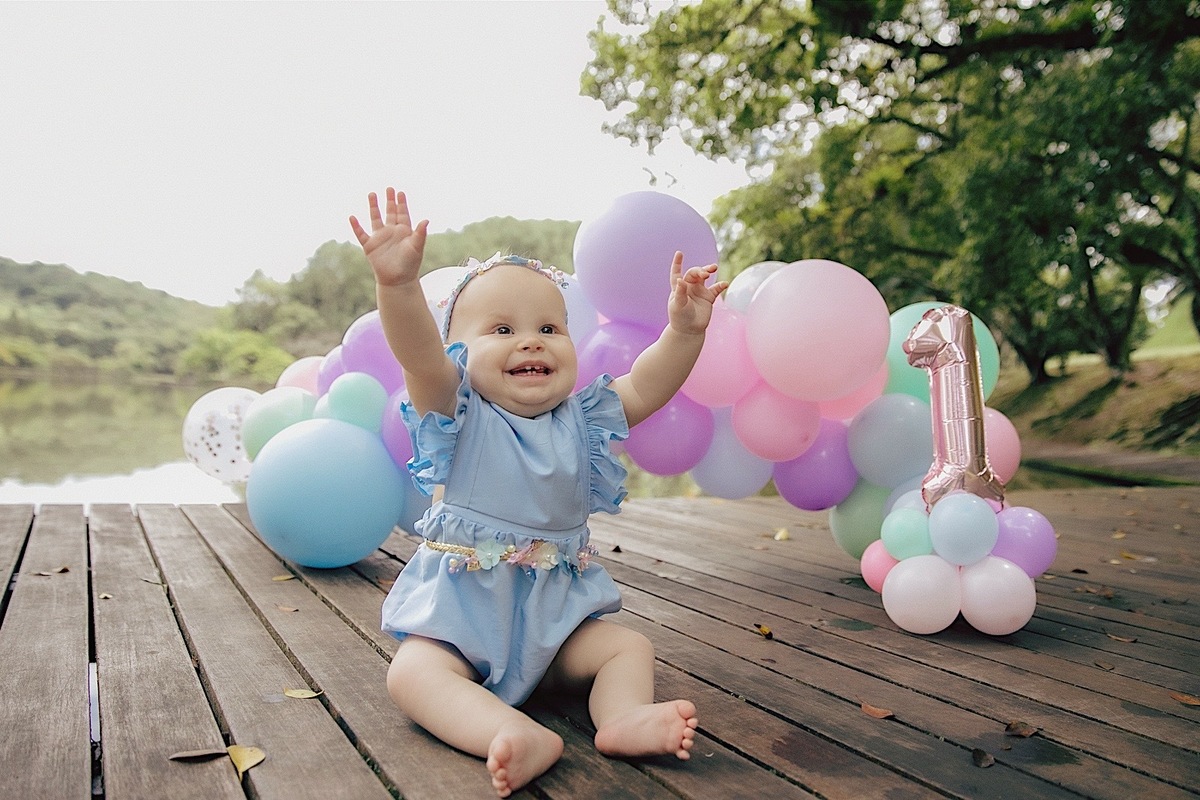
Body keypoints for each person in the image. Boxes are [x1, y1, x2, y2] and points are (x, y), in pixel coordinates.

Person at [349, 187, 727, 797]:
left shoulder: (584, 419)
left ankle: (623, 717)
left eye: (550, 327)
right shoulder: (461, 412)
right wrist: (397, 284)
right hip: (463, 619)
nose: (531, 341)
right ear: (459, 353)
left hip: (558, 624)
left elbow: (647, 384)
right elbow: (419, 355)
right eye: (502, 329)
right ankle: (508, 731)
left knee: (627, 647)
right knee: (413, 673)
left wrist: (683, 332)